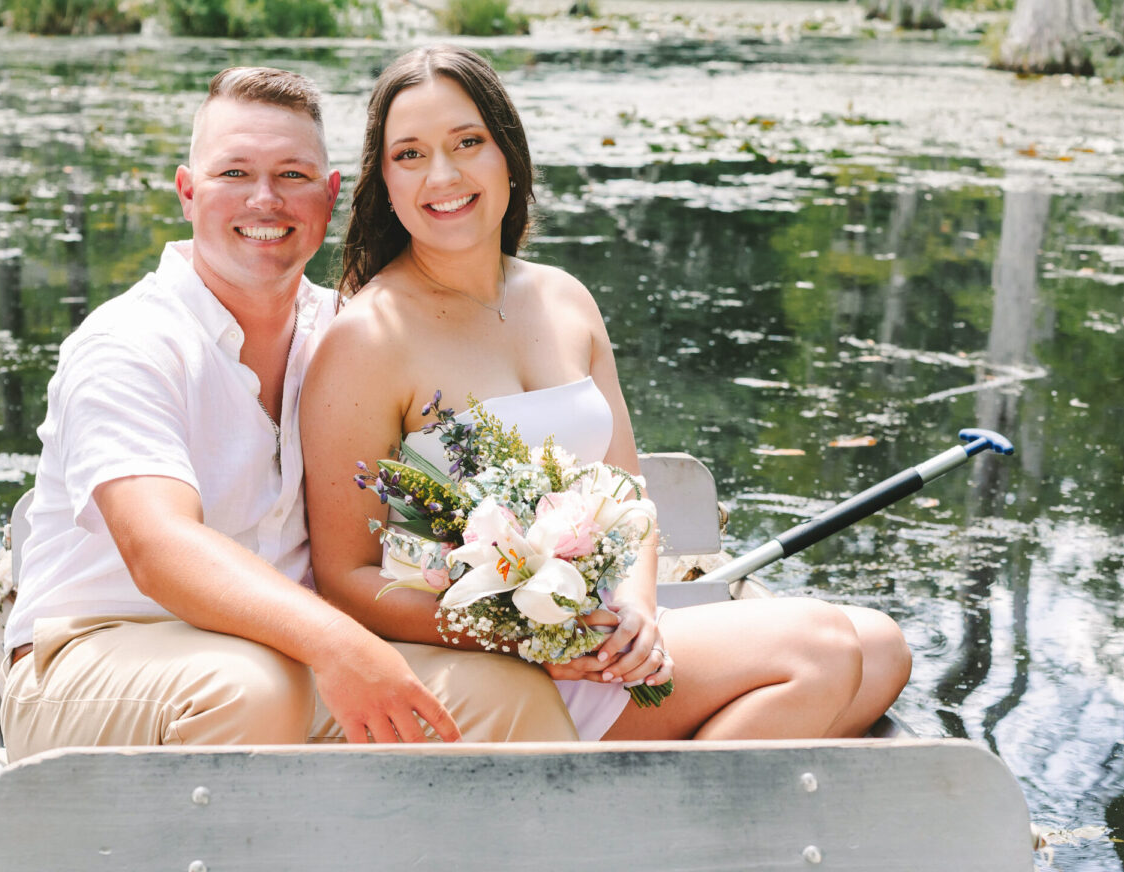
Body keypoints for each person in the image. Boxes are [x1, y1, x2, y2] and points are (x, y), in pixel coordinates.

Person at [0, 65, 579, 872]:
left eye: (293, 176)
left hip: (279, 663)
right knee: (247, 688)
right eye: (234, 173)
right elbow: (161, 549)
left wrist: (568, 581)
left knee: (507, 693)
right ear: (189, 192)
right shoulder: (128, 344)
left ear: (332, 195)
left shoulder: (341, 332)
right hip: (93, 666)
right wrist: (343, 646)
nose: (263, 200)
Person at [301, 45, 913, 746]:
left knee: (883, 646)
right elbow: (346, 578)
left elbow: (627, 496)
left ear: (507, 154)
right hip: (496, 661)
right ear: (384, 178)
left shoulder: (565, 299)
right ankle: (661, 832)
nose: (442, 174)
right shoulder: (368, 339)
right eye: (409, 154)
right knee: (826, 648)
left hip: (604, 632)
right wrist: (528, 636)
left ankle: (652, 791)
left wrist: (639, 611)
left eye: (467, 142)